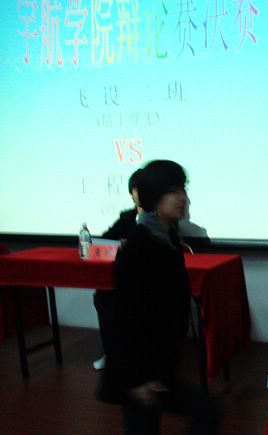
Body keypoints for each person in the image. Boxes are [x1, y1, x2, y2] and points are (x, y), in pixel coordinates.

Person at [97, 160, 220, 435]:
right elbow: (125, 319)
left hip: (158, 369)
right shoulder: (139, 247)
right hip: (139, 374)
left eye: (183, 189)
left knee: (205, 410)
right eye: (172, 191)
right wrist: (136, 379)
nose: (183, 197)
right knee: (203, 410)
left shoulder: (168, 239)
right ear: (153, 197)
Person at [93, 169, 144, 370]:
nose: (140, 193)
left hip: (149, 280)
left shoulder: (162, 218)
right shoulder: (126, 217)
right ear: (131, 193)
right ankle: (111, 352)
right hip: (125, 277)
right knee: (102, 296)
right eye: (136, 189)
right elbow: (106, 238)